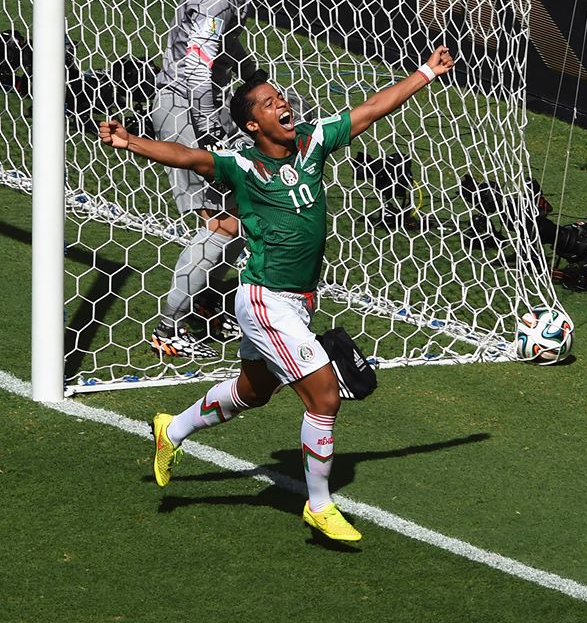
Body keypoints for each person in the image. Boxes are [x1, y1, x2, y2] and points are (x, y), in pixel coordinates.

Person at [99, 44, 455, 543]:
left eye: (279, 97)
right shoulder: (239, 164)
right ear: (251, 125)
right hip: (264, 297)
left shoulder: (313, 142)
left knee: (254, 391)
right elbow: (187, 156)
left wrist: (424, 73)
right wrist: (130, 141)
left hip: (297, 302)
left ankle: (171, 429)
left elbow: (373, 108)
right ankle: (319, 505)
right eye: (267, 103)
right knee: (324, 396)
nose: (281, 103)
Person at [151, 0, 307, 358]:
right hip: (186, 108)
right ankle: (168, 326)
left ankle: (199, 310)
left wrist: (247, 67)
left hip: (205, 106)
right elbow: (196, 64)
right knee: (222, 222)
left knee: (240, 212)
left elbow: (210, 41)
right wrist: (210, 134)